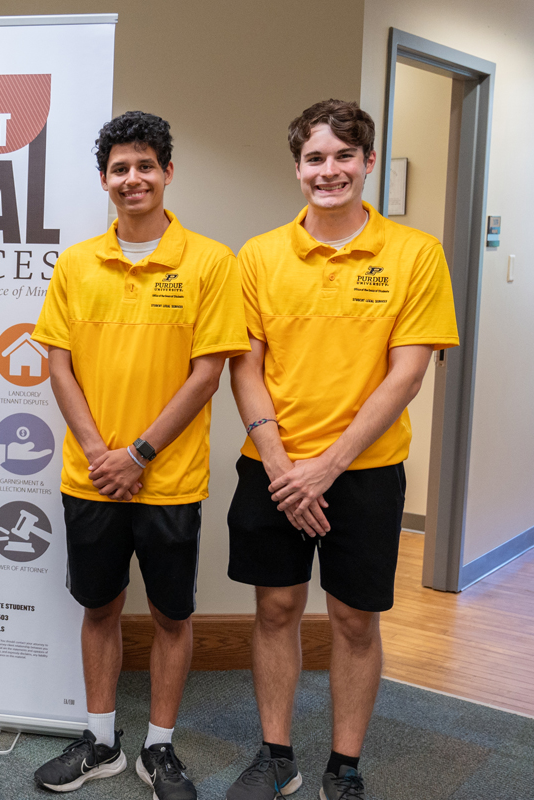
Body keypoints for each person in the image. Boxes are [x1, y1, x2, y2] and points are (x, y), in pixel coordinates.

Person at [225, 99, 459, 800]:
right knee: (275, 608)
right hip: (273, 466)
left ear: (367, 162)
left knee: (355, 619)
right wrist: (281, 467)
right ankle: (276, 755)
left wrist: (324, 468)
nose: (329, 171)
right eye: (314, 159)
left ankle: (344, 766)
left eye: (343, 156)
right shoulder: (260, 255)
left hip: (365, 472)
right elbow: (246, 366)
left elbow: (407, 373)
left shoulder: (415, 254)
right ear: (297, 168)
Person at [31, 111, 250, 799]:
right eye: (120, 168)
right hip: (91, 477)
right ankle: (100, 742)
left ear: (168, 173)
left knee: (171, 615)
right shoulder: (75, 263)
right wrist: (102, 452)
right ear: (105, 180)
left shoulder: (212, 262)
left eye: (146, 165)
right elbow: (58, 365)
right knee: (98, 607)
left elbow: (207, 373)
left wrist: (141, 453)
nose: (134, 179)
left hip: (170, 481)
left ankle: (159, 748)